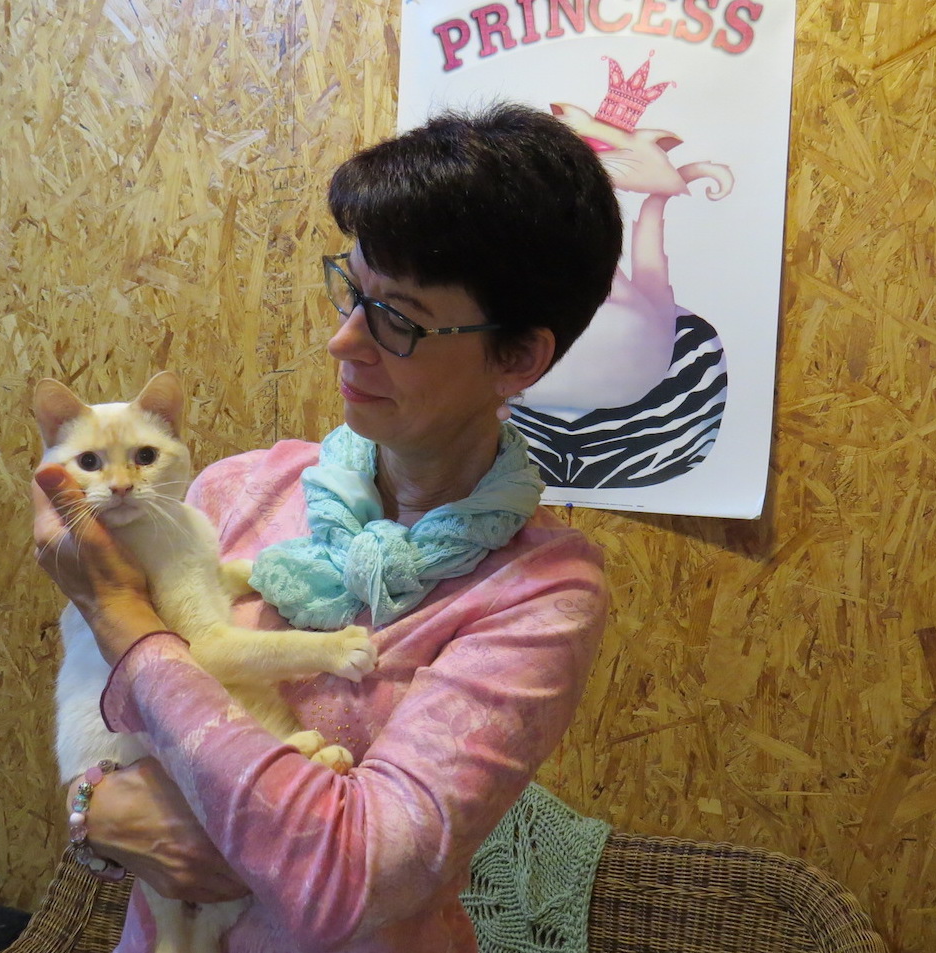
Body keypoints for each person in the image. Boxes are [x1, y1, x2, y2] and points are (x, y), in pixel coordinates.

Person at [33, 102, 624, 952]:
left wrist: (122, 616)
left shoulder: (540, 595)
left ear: (519, 357)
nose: (343, 339)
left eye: (399, 317)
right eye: (352, 289)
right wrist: (95, 811)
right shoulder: (237, 490)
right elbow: (100, 745)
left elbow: (347, 879)